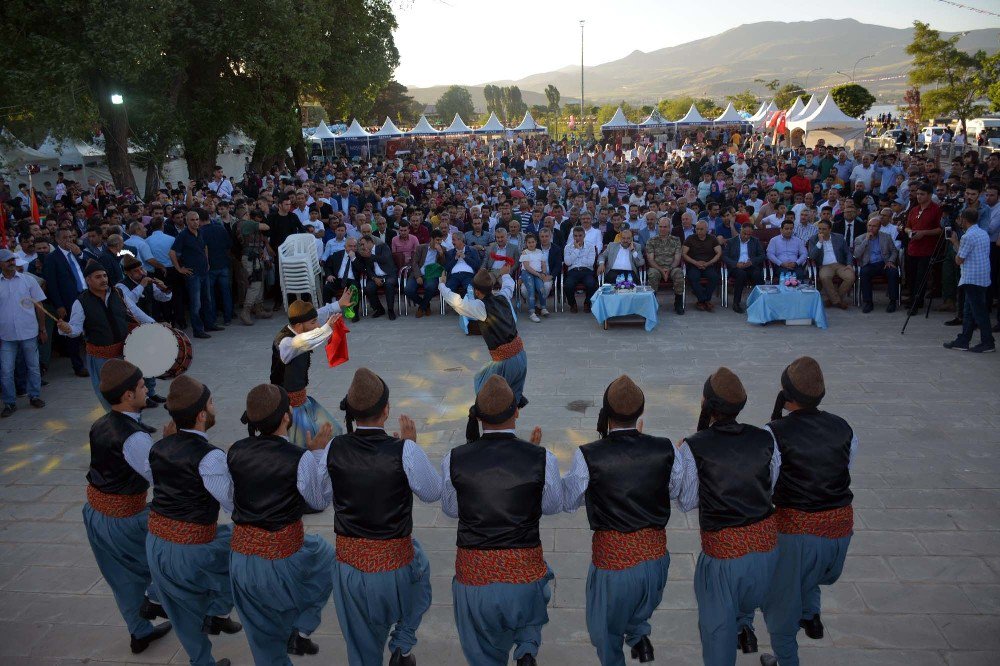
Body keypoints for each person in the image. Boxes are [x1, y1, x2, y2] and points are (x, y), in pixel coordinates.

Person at [317, 368, 442, 666]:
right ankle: (402, 642)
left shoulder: (334, 447)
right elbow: (433, 491)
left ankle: (396, 646)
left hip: (349, 569)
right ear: (386, 411)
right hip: (395, 566)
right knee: (420, 577)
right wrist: (411, 446)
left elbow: (316, 498)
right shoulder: (403, 451)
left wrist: (316, 456)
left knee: (362, 651)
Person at [561, 375, 686, 666]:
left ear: (606, 413)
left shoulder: (588, 455)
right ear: (640, 411)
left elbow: (568, 500)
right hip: (656, 561)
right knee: (640, 605)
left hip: (614, 565)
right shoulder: (666, 449)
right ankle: (640, 637)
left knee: (604, 631)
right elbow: (677, 491)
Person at [441, 375, 563, 666]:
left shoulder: (453, 458)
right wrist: (533, 461)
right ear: (517, 411)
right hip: (524, 577)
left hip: (474, 578)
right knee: (540, 580)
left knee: (483, 655)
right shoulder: (543, 458)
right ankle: (526, 647)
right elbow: (552, 505)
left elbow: (450, 509)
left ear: (479, 417)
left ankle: (521, 647)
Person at [754, 357, 857, 666]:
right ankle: (812, 616)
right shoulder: (844, 427)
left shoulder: (774, 434)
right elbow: (843, 470)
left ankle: (785, 659)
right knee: (809, 575)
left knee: (780, 606)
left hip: (797, 535)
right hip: (840, 531)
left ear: (786, 396)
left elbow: (767, 485)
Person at [674, 367, 780, 665]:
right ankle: (745, 627)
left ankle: (735, 633)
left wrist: (681, 462)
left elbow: (687, 501)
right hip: (767, 553)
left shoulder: (695, 447)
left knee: (716, 632)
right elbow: (772, 483)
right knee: (745, 598)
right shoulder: (765, 438)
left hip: (724, 558)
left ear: (707, 404)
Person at [228, 384, 335, 663]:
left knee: (262, 640)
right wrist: (317, 455)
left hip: (241, 556)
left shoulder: (235, 451)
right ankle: (300, 628)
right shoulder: (298, 458)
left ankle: (296, 632)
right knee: (326, 564)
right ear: (286, 417)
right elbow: (319, 501)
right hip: (282, 557)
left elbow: (231, 498)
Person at [145, 375, 242, 666]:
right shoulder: (210, 458)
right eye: (211, 403)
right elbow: (233, 505)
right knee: (250, 554)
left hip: (155, 543)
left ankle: (201, 659)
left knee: (179, 612)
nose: (215, 407)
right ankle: (218, 611)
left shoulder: (158, 447)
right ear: (201, 415)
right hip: (190, 548)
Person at [83, 359, 173, 654]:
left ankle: (139, 633)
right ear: (127, 396)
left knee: (121, 579)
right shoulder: (135, 438)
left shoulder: (100, 424)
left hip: (95, 513)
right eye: (141, 386)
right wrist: (171, 447)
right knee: (171, 559)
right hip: (124, 520)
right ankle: (158, 603)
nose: (147, 388)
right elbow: (161, 478)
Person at [56, 261, 155, 410]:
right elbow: (76, 329)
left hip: (125, 353)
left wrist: (156, 325)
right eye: (98, 277)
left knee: (131, 392)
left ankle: (136, 423)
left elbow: (135, 312)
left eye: (104, 276)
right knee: (110, 395)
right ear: (88, 280)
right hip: (101, 358)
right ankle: (119, 426)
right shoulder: (81, 302)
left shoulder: (118, 293)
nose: (103, 280)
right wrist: (66, 329)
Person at [440, 267, 529, 407]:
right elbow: (509, 286)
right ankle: (514, 406)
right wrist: (505, 275)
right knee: (486, 379)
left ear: (476, 291)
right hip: (522, 357)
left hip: (506, 362)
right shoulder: (503, 297)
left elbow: (457, 303)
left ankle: (500, 418)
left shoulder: (481, 307)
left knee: (486, 393)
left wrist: (441, 285)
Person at [270, 295, 351, 447]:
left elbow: (318, 314)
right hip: (288, 409)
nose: (317, 325)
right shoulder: (286, 343)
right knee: (301, 447)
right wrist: (327, 329)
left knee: (334, 431)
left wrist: (338, 304)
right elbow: (305, 341)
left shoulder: (300, 325)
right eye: (313, 323)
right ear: (299, 326)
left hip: (304, 402)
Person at [118, 255, 172, 406]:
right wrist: (141, 285)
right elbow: (130, 304)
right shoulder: (121, 287)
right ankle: (142, 396)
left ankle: (151, 392)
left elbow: (164, 298)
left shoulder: (148, 282)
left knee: (151, 360)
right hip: (133, 328)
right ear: (128, 273)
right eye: (136, 270)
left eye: (141, 268)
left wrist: (164, 288)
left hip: (149, 325)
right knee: (139, 364)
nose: (141, 272)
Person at [0, 248, 47, 415]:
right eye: (8, 261)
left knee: (33, 367)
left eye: (13, 259)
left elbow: (39, 306)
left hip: (29, 332)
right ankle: (9, 402)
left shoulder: (28, 281)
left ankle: (34, 396)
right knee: (6, 370)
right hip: (6, 335)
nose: (12, 263)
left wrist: (42, 328)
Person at [943, 208, 995, 353]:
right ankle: (963, 340)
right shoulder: (983, 233)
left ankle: (988, 341)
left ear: (964, 220)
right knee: (969, 311)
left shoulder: (967, 237)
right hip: (982, 276)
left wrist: (954, 242)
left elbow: (959, 259)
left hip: (972, 277)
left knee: (979, 312)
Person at [42, 227, 88, 377]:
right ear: (57, 240)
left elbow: (89, 266)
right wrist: (59, 305)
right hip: (69, 300)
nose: (68, 240)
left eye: (70, 237)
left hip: (85, 295)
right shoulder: (52, 258)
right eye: (65, 238)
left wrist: (79, 254)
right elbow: (52, 284)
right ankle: (78, 366)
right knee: (72, 333)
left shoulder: (76, 253)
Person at [170, 210, 219, 339]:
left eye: (197, 219)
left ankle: (209, 324)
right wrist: (179, 269)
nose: (195, 222)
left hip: (204, 272)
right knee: (196, 304)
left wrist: (207, 261)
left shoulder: (201, 232)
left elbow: (205, 247)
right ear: (187, 221)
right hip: (193, 275)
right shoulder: (183, 235)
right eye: (192, 220)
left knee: (207, 300)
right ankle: (198, 330)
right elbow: (172, 252)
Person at [902, 184, 943, 315]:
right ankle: (914, 299)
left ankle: (916, 302)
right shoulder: (914, 209)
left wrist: (924, 233)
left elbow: (940, 229)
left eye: (922, 194)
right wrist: (910, 232)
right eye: (918, 194)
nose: (919, 196)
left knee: (921, 277)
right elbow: (907, 227)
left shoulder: (936, 210)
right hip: (912, 248)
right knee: (911, 277)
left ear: (930, 195)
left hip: (926, 250)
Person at [853, 217, 900, 313]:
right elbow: (856, 254)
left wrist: (890, 261)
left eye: (874, 226)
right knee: (864, 272)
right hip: (869, 264)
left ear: (879, 227)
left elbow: (894, 251)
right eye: (869, 226)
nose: (871, 228)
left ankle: (892, 301)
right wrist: (866, 240)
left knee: (893, 272)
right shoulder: (860, 238)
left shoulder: (886, 236)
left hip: (884, 263)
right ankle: (868, 302)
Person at [807, 220, 855, 310]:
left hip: (839, 264)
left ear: (830, 229)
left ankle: (833, 299)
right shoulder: (813, 239)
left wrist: (849, 264)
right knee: (824, 277)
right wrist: (820, 242)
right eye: (819, 229)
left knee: (850, 277)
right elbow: (812, 256)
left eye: (824, 229)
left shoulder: (839, 237)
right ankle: (838, 302)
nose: (821, 231)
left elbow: (848, 252)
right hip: (825, 266)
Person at [645, 220, 685, 315]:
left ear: (669, 228)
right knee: (652, 274)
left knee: (679, 273)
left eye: (665, 227)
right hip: (656, 267)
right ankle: (653, 304)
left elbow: (677, 259)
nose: (663, 229)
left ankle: (678, 303)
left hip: (672, 267)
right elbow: (650, 260)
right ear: (658, 227)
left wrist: (669, 269)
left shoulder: (676, 240)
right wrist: (662, 271)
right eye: (661, 227)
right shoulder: (651, 241)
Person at [722, 224, 764, 314]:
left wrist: (752, 261)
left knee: (757, 274)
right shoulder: (731, 241)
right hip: (736, 267)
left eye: (749, 234)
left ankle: (761, 301)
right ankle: (736, 303)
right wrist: (736, 264)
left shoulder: (755, 241)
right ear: (740, 230)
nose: (746, 236)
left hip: (750, 265)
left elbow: (762, 255)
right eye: (744, 233)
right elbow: (724, 256)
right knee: (741, 275)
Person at [404, 229, 445, 318]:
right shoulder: (421, 247)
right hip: (418, 273)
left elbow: (443, 266)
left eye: (440, 240)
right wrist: (418, 276)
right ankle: (426, 305)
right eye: (437, 240)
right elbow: (414, 263)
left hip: (431, 274)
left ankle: (421, 308)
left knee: (430, 287)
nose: (439, 242)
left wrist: (441, 254)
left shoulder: (442, 249)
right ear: (431, 239)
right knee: (408, 290)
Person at [682, 221, 722, 312]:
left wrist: (708, 263)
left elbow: (719, 253)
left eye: (701, 229)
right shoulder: (690, 238)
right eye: (697, 229)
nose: (699, 231)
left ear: (707, 229)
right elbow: (684, 253)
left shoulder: (712, 238)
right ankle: (704, 300)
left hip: (708, 265)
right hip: (694, 265)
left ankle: (703, 301)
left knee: (714, 277)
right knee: (693, 277)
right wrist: (695, 262)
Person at [359, 234, 399, 320]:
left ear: (370, 242)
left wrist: (370, 256)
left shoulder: (383, 247)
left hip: (389, 274)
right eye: (361, 245)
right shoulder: (365, 254)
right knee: (368, 288)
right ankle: (379, 309)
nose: (362, 247)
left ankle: (390, 310)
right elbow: (368, 269)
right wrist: (374, 278)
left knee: (389, 284)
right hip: (376, 277)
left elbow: (385, 259)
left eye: (363, 244)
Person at [323, 236, 363, 316]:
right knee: (327, 288)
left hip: (352, 280)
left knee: (354, 288)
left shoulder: (359, 256)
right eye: (350, 246)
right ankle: (328, 312)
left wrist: (353, 258)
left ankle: (354, 313)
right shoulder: (337, 254)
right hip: (338, 279)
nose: (352, 248)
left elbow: (362, 270)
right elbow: (327, 266)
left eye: (355, 246)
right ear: (345, 246)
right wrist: (329, 275)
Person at [564, 225, 598, 313]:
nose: (578, 238)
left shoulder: (591, 246)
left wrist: (575, 257)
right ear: (573, 236)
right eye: (575, 236)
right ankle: (573, 304)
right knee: (568, 285)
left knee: (592, 284)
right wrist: (577, 250)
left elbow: (590, 263)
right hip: (573, 271)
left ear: (584, 236)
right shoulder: (568, 247)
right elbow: (567, 262)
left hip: (587, 271)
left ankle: (587, 303)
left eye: (580, 235)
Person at [519, 233, 550, 322]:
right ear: (526, 243)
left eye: (533, 242)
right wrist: (538, 274)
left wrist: (543, 272)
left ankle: (543, 308)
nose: (531, 244)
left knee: (541, 288)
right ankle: (532, 312)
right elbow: (527, 267)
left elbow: (543, 264)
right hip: (527, 273)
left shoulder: (539, 252)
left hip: (538, 273)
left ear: (536, 242)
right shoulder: (525, 252)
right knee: (531, 290)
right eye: (529, 242)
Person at [443, 230, 482, 298]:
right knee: (447, 290)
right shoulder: (450, 253)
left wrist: (465, 257)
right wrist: (455, 259)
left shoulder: (472, 250)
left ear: (460, 240)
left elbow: (477, 265)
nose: (452, 242)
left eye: (454, 240)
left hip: (468, 275)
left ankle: (467, 305)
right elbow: (446, 268)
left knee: (470, 291)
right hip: (454, 276)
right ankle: (456, 306)